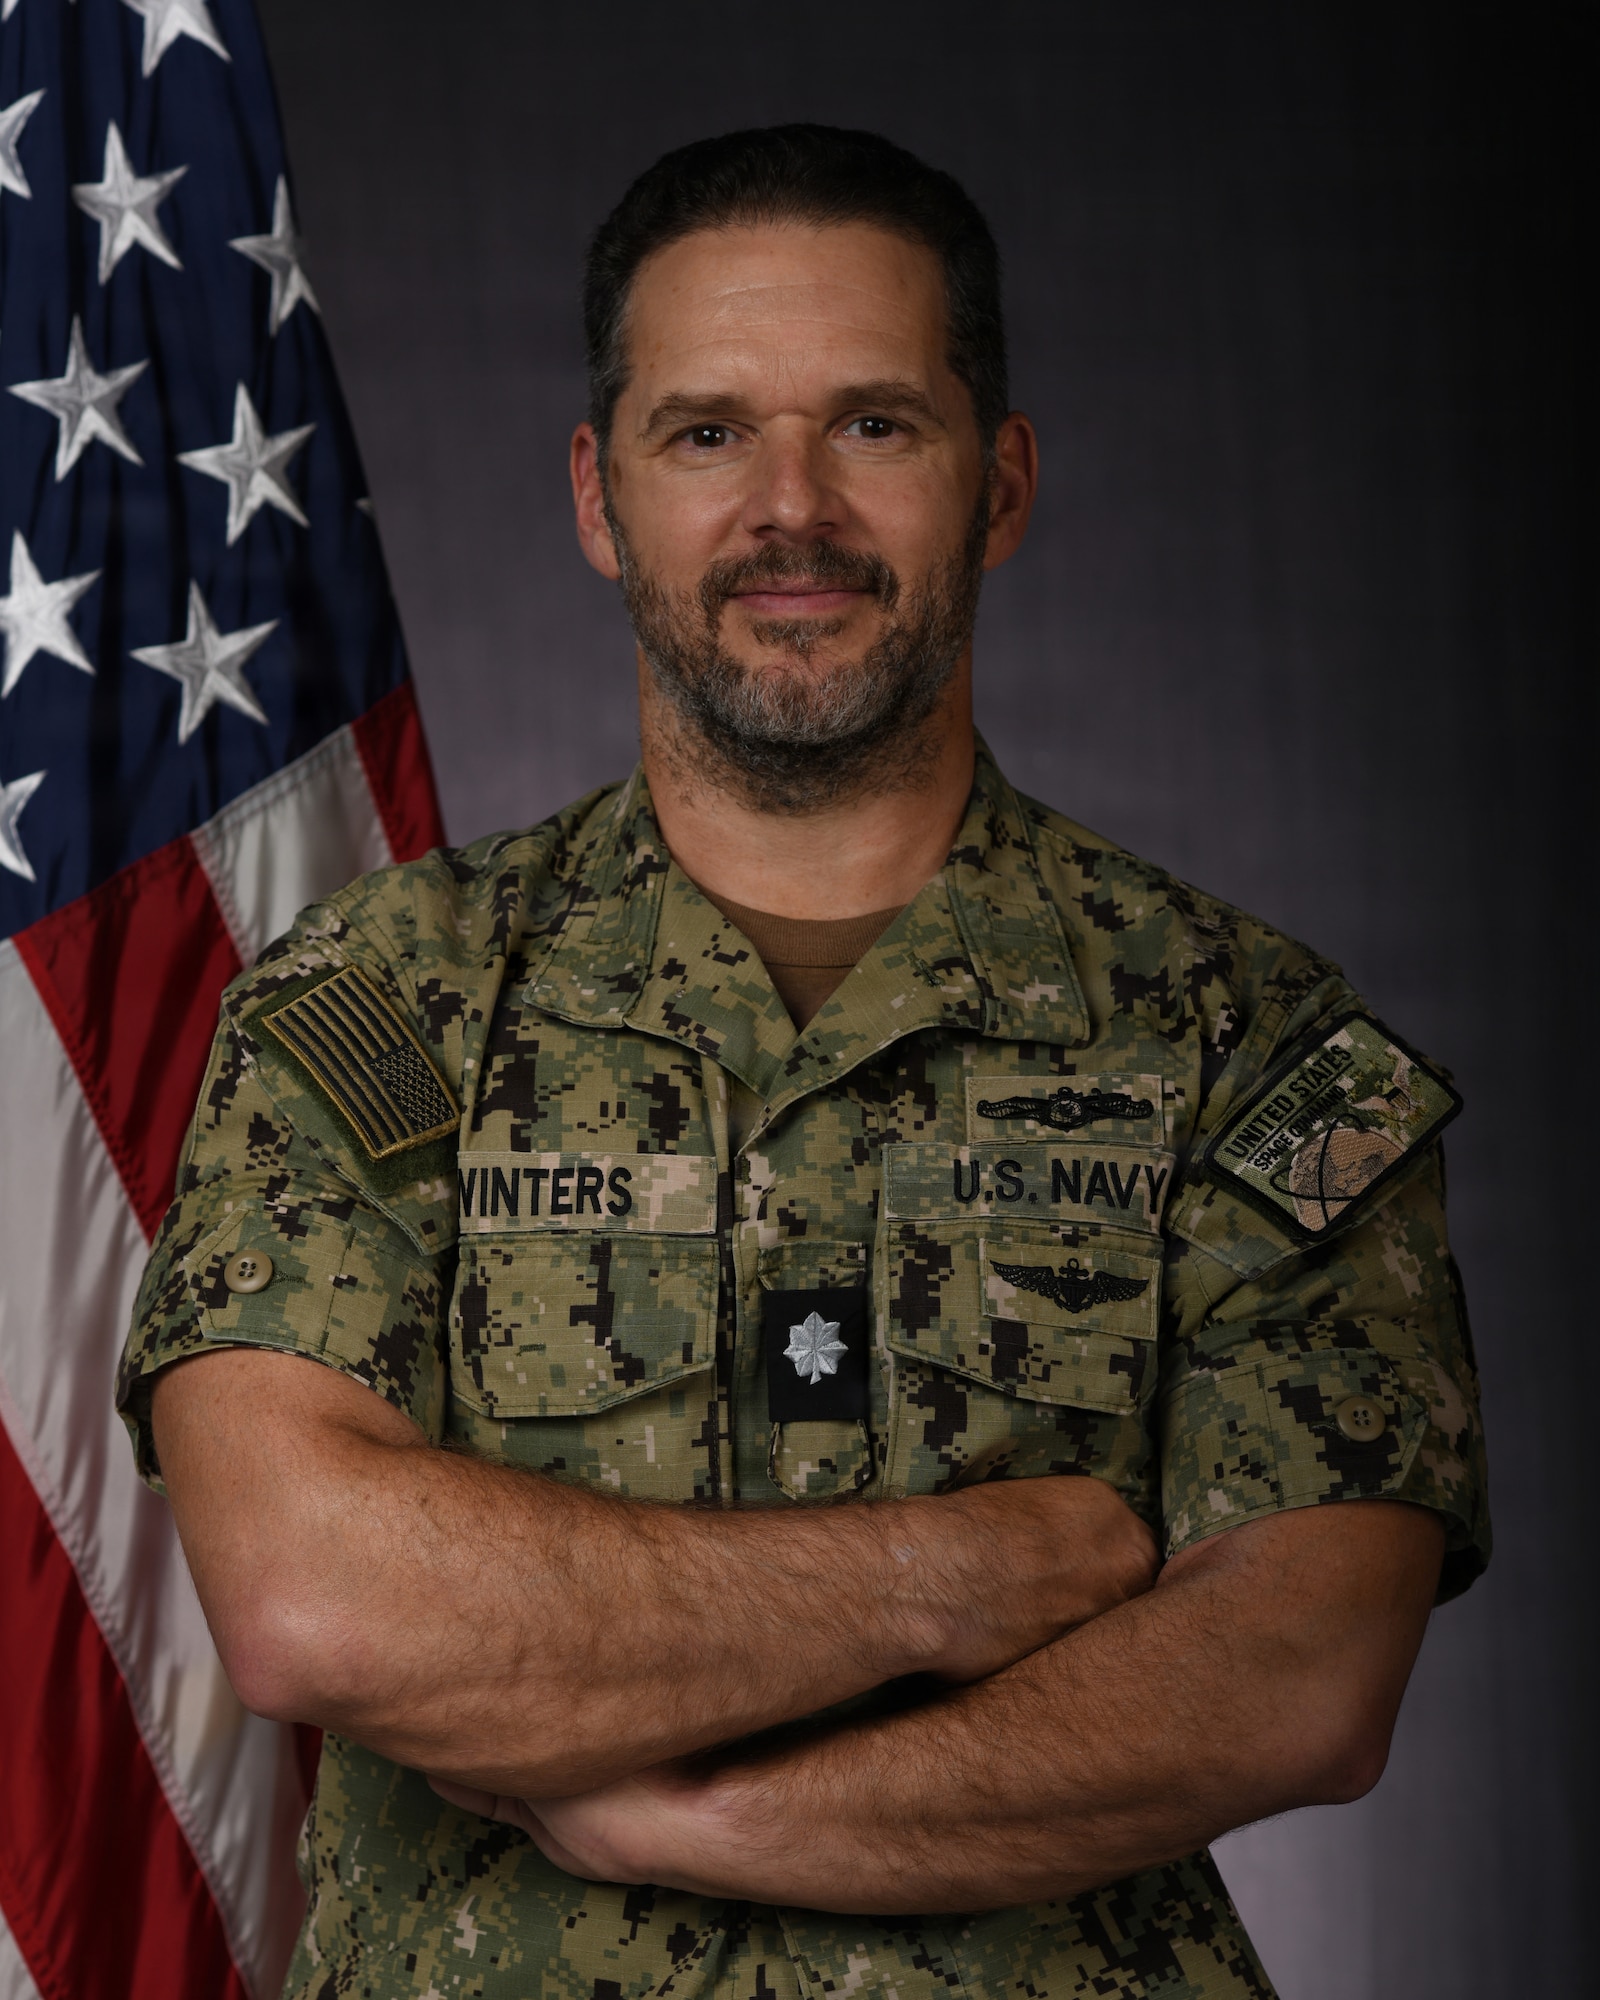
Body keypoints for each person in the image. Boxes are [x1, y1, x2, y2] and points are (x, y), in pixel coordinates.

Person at [118, 125, 1489, 2000]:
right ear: (599, 500)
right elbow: (312, 1600)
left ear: (997, 482)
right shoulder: (371, 1014)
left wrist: (713, 1819)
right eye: (707, 434)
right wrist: (980, 1571)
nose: (792, 511)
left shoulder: (1254, 1049)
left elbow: (1299, 1675)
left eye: (873, 425)